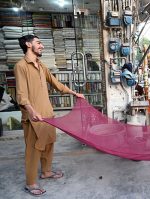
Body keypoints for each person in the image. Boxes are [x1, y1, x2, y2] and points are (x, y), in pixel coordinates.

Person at [14, 35, 85, 196]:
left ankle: (46, 172)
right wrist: (31, 111)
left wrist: (75, 93)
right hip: (33, 117)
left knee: (49, 144)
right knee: (33, 149)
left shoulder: (41, 66)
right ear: (28, 44)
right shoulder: (21, 66)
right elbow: (21, 94)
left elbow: (56, 84)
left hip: (47, 113)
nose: (42, 46)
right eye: (38, 43)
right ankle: (30, 182)